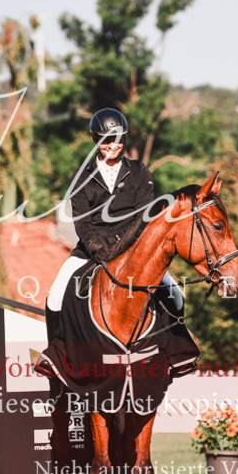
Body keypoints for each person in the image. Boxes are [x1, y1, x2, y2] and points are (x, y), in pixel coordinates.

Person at [43, 108, 188, 399]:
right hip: (92, 250)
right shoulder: (82, 176)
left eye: (118, 140)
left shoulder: (139, 172)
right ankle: (58, 357)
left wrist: (126, 247)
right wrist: (100, 250)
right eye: (106, 140)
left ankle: (176, 352)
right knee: (56, 295)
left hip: (135, 250)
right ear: (95, 139)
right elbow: (82, 222)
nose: (113, 145)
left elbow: (145, 216)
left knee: (176, 294)